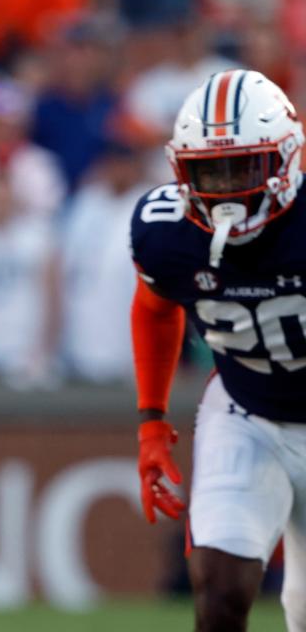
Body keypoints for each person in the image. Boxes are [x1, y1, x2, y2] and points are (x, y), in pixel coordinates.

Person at [130, 69, 306, 631]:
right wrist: (151, 423)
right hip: (246, 412)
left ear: (287, 160)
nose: (226, 190)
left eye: (242, 169)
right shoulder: (167, 231)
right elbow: (154, 309)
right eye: (210, 172)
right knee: (220, 591)